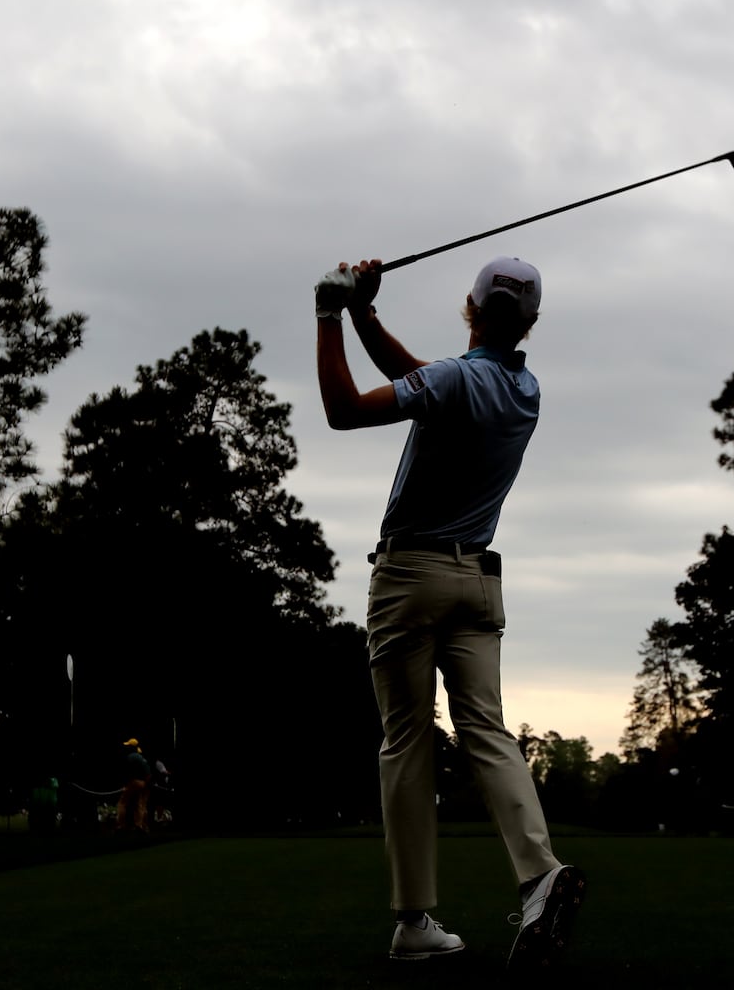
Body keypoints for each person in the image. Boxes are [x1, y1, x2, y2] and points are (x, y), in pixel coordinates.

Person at [314, 256, 586, 971]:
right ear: (530, 321)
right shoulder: (524, 391)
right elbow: (422, 376)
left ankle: (414, 922)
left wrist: (326, 313)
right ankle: (539, 875)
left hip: (409, 576)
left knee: (407, 742)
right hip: (479, 583)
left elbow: (344, 410)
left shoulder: (452, 379)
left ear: (470, 308)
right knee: (487, 732)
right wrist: (364, 314)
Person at [116, 738, 151, 835]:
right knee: (140, 805)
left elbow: (126, 772)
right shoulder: (142, 758)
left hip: (133, 782)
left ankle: (120, 825)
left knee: (122, 803)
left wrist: (126, 784)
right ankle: (140, 825)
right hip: (143, 782)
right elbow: (148, 773)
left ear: (132, 747)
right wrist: (146, 784)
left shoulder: (130, 757)